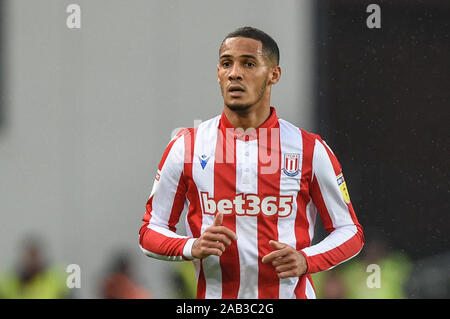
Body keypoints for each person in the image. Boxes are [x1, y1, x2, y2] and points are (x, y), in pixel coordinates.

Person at [138, 26, 364, 299]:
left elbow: (350, 232)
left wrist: (306, 259)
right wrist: (191, 246)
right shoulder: (186, 146)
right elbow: (150, 231)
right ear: (219, 74)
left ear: (274, 75)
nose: (234, 73)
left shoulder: (310, 149)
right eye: (226, 63)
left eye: (248, 63)